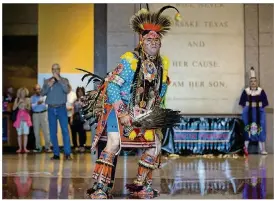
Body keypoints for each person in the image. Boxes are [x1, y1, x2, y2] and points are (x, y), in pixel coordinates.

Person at [84, 5, 182, 199]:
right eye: (149, 39)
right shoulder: (130, 61)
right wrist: (122, 112)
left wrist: (157, 114)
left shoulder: (163, 65)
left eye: (156, 40)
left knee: (155, 146)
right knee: (113, 143)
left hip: (143, 113)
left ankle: (140, 186)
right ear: (142, 41)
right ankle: (100, 188)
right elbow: (112, 87)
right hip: (118, 110)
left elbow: (160, 93)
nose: (153, 43)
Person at [41, 63, 71, 160]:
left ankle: (67, 153)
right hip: (51, 108)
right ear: (51, 70)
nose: (55, 71)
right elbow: (42, 93)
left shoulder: (64, 80)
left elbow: (66, 90)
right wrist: (48, 86)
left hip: (61, 108)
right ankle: (56, 153)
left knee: (65, 131)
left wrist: (58, 79)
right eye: (53, 69)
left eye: (57, 69)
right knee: (53, 132)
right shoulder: (47, 81)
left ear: (59, 70)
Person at [239, 67, 269, 156]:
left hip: (258, 113)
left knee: (261, 128)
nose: (253, 83)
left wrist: (261, 104)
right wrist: (246, 104)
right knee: (247, 128)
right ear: (250, 83)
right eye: (251, 82)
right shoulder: (246, 91)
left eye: (254, 82)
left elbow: (265, 101)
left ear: (257, 82)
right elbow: (242, 102)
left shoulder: (261, 91)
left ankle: (262, 149)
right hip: (249, 113)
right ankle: (245, 149)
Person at [31, 84, 52, 153]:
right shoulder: (32, 98)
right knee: (36, 132)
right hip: (35, 115)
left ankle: (47, 147)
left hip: (44, 114)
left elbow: (46, 106)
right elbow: (32, 107)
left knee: (46, 131)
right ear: (34, 90)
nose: (38, 90)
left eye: (39, 89)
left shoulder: (45, 97)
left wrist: (42, 103)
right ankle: (38, 148)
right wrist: (37, 103)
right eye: (36, 89)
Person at [13, 87, 32, 153]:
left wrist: (25, 105)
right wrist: (19, 103)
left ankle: (25, 148)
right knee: (19, 134)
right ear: (19, 93)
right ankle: (20, 148)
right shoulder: (17, 99)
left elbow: (29, 108)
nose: (23, 94)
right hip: (19, 118)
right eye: (21, 92)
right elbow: (13, 108)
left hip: (26, 118)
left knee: (26, 134)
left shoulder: (28, 99)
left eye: (24, 92)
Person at [69, 87, 86, 153]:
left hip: (82, 118)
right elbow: (73, 109)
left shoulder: (85, 100)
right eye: (78, 91)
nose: (80, 93)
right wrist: (71, 118)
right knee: (74, 133)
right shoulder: (75, 100)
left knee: (82, 133)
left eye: (81, 91)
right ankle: (75, 146)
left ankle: (82, 146)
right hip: (76, 117)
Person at [66, 84, 77, 150]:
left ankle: (75, 145)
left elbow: (75, 105)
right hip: (64, 115)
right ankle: (67, 145)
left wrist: (71, 108)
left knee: (73, 131)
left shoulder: (73, 94)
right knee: (65, 131)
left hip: (71, 115)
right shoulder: (63, 94)